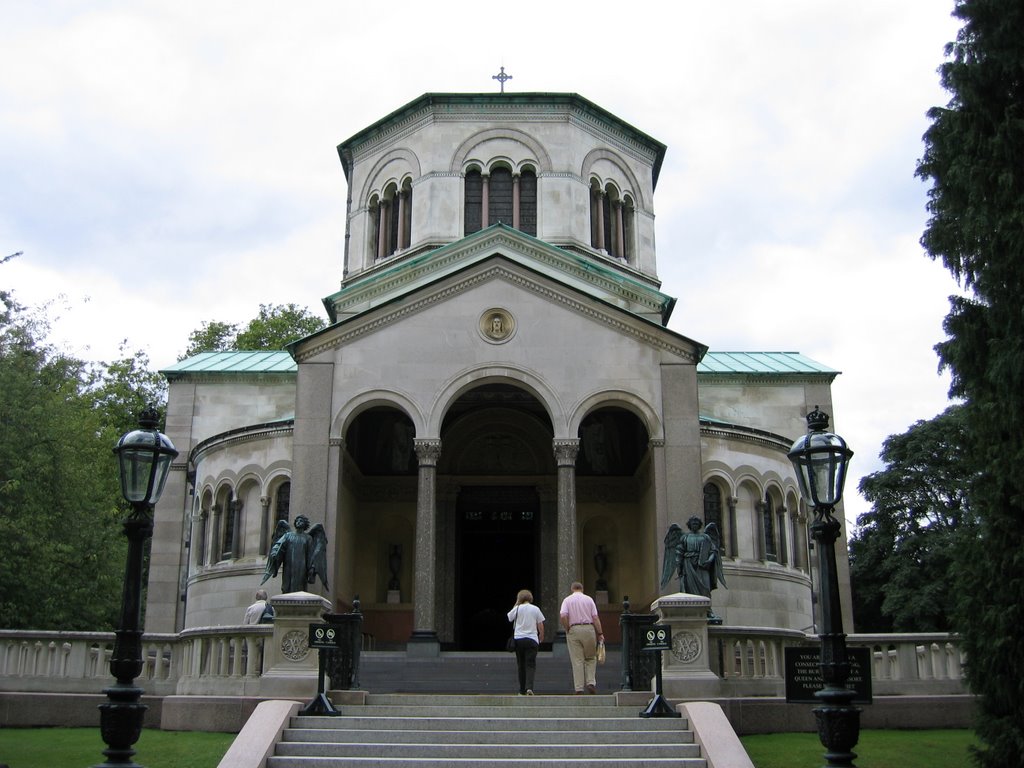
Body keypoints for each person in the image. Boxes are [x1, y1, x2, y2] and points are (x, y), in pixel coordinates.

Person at [660, 516, 727, 622]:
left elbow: (713, 551)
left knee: (705, 588)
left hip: (703, 566)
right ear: (689, 525)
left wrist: (709, 561)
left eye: (696, 523)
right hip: (688, 565)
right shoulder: (684, 537)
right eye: (693, 523)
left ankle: (708, 611)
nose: (694, 525)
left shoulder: (706, 537)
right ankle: (689, 611)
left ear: (699, 525)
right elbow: (679, 552)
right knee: (689, 590)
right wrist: (679, 566)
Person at [261, 515, 329, 593]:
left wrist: (312, 567)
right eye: (297, 521)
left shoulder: (308, 538)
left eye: (301, 521)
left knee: (300, 585)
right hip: (289, 564)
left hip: (301, 566)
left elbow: (310, 554)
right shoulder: (288, 535)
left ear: (305, 524)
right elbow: (279, 545)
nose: (298, 522)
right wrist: (275, 553)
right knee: (286, 585)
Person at [559, 581, 604, 694]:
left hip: (574, 629)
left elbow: (563, 615)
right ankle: (591, 682)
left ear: (572, 589)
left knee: (577, 660)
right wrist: (600, 633)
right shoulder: (589, 600)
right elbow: (595, 618)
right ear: (582, 589)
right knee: (591, 657)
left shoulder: (567, 600)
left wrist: (567, 628)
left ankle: (579, 688)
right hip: (589, 629)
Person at [507, 589, 545, 695]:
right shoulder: (535, 609)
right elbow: (540, 624)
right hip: (532, 639)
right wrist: (541, 635)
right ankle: (529, 688)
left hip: (519, 639)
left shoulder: (518, 608)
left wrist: (516, 604)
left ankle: (522, 689)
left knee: (521, 665)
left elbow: (509, 617)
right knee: (530, 664)